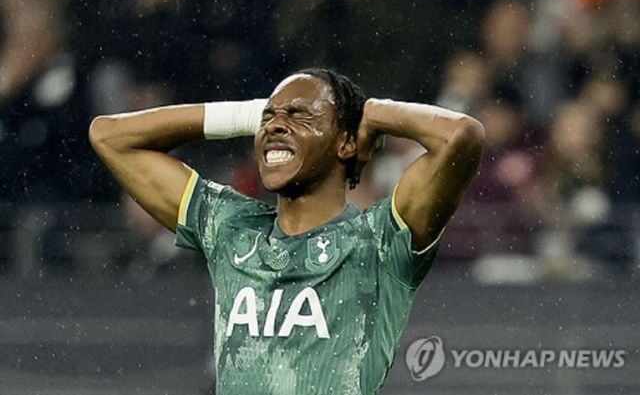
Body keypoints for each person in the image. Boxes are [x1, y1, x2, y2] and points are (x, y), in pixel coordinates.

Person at [89, 68, 485, 394]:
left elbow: (460, 136)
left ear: (345, 143)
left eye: (299, 116)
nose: (276, 126)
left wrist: (370, 113)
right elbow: (109, 136)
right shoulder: (230, 227)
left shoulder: (379, 240)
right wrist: (246, 116)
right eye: (269, 118)